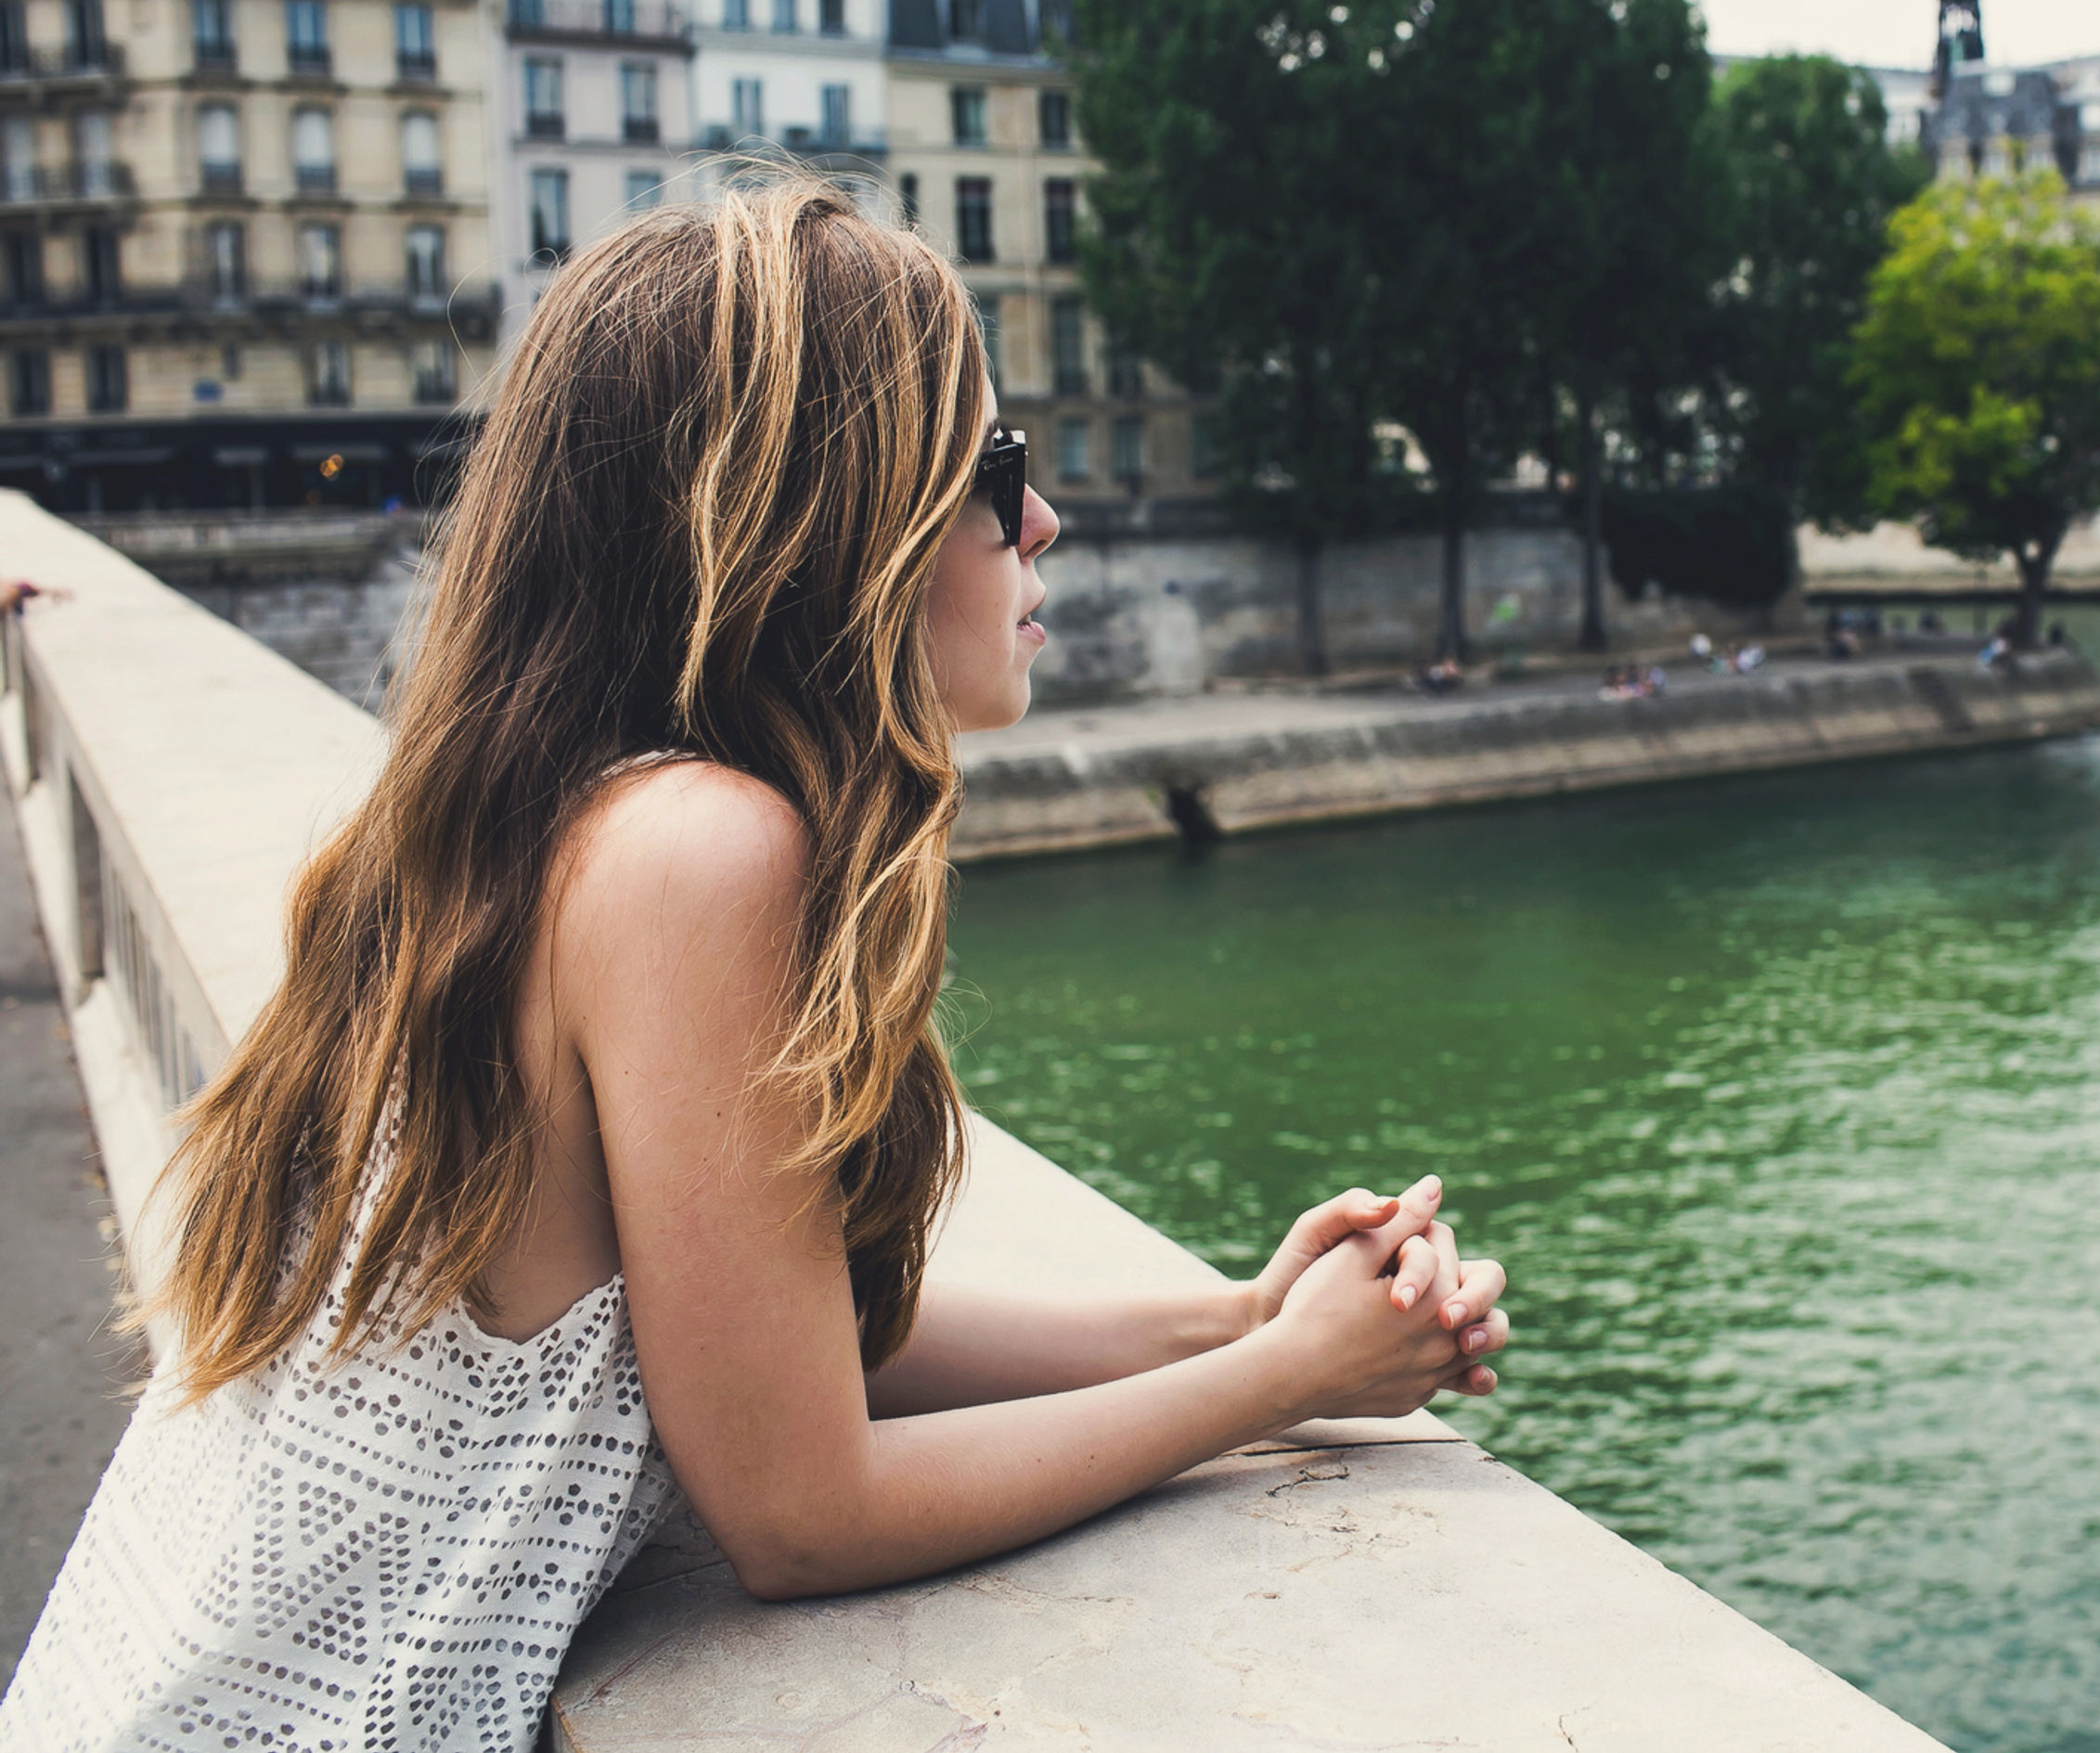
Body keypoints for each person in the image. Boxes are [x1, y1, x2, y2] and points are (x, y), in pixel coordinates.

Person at [0, 185, 1510, 1750]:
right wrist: (1275, 1391)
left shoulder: (540, 809)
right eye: (990, 470)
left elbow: (752, 1335)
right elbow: (802, 1505)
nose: (1041, 520)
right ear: (821, 514)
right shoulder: (700, 852)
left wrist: (1240, 1321)